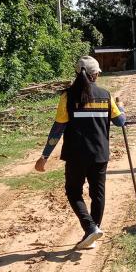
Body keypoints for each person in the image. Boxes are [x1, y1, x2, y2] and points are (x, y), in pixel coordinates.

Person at [35, 56, 126, 250]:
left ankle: (90, 229)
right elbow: (120, 122)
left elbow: (58, 129)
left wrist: (45, 156)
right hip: (100, 154)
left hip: (76, 155)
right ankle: (93, 229)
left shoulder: (68, 97)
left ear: (77, 73)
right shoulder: (105, 95)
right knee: (98, 193)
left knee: (73, 191)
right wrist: (122, 107)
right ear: (95, 74)